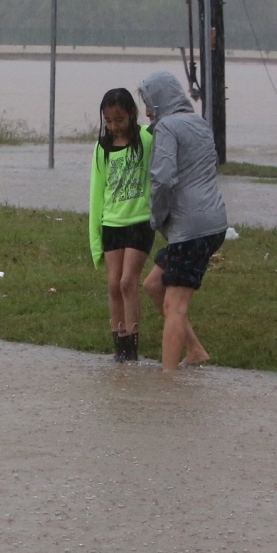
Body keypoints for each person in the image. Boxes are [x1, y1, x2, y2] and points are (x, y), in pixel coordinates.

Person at [139, 70, 228, 372]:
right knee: (153, 285)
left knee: (173, 307)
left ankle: (168, 380)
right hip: (214, 224)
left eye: (148, 103)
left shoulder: (166, 128)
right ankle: (195, 351)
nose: (147, 111)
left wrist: (157, 217)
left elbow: (163, 179)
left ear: (161, 101)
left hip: (189, 230)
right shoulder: (199, 123)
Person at [88, 86, 155, 362]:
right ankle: (120, 349)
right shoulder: (101, 149)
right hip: (111, 225)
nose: (114, 126)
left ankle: (133, 346)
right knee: (114, 284)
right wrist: (95, 242)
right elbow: (96, 194)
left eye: (119, 120)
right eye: (108, 121)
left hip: (140, 222)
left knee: (129, 282)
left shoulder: (147, 140)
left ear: (131, 115)